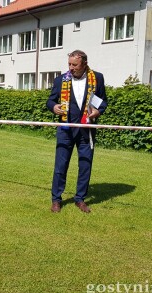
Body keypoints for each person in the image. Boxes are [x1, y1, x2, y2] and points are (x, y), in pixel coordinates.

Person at [46, 50, 108, 213]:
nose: (71, 68)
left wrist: (98, 111)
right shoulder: (61, 80)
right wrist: (54, 107)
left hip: (86, 129)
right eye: (69, 64)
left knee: (85, 165)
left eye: (75, 65)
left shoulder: (97, 78)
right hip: (65, 129)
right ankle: (56, 200)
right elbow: (50, 100)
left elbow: (101, 100)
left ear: (84, 64)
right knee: (60, 165)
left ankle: (80, 199)